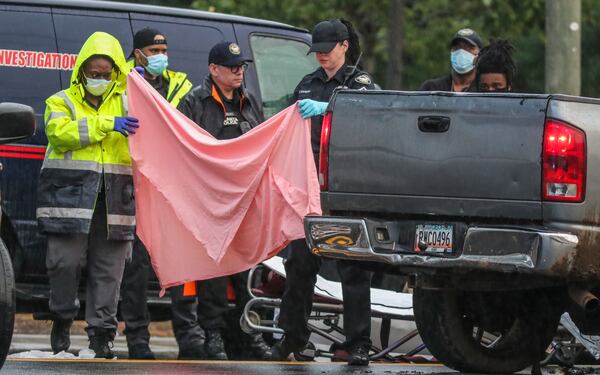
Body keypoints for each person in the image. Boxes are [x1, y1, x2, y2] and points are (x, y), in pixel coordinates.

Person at [269, 19, 376, 366]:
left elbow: (375, 120)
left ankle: (358, 342)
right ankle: (294, 336)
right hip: (308, 188)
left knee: (352, 265)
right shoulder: (306, 85)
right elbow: (285, 124)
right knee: (299, 262)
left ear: (344, 46)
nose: (321, 58)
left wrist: (330, 108)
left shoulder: (361, 86)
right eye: (316, 52)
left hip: (344, 190)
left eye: (327, 51)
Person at [38, 31, 139, 359]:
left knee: (109, 271)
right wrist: (107, 124)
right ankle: (63, 317)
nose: (98, 78)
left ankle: (102, 334)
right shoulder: (60, 101)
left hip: (115, 200)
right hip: (69, 201)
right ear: (81, 71)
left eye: (105, 73)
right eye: (92, 73)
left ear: (116, 73)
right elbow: (59, 133)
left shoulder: (131, 103)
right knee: (63, 264)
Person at [175, 41, 270, 360]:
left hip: (244, 202)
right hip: (209, 204)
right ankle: (213, 336)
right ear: (213, 69)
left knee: (246, 270)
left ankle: (248, 334)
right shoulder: (194, 101)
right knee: (213, 272)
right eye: (232, 67)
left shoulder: (249, 100)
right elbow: (181, 149)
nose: (239, 71)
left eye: (242, 66)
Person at [119, 27, 193, 361]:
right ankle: (137, 339)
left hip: (172, 189)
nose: (159, 55)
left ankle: (189, 337)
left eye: (163, 49)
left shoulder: (181, 86)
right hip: (135, 187)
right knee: (135, 268)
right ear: (138, 54)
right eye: (152, 50)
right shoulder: (123, 86)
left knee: (181, 263)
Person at [419, 28, 483, 92]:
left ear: (480, 54)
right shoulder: (431, 88)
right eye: (457, 47)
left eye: (469, 48)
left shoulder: (483, 89)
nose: (461, 52)